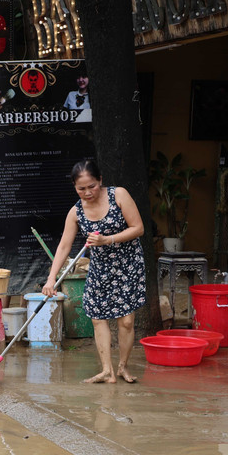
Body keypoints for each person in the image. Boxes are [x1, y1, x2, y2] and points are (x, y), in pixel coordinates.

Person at [43, 159, 146, 384]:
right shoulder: (76, 212)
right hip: (100, 268)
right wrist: (51, 279)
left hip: (128, 264)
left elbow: (138, 228)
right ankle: (107, 371)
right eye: (81, 188)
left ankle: (122, 367)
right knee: (99, 319)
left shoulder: (119, 195)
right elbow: (63, 246)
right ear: (74, 187)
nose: (88, 192)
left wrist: (106, 239)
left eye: (92, 186)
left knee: (126, 321)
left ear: (100, 180)